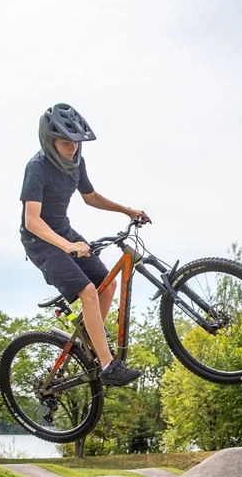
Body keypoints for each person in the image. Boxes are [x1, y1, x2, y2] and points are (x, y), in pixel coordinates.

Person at [20, 103, 149, 387]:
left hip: (66, 233)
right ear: (49, 141)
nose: (73, 149)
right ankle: (107, 365)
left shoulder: (76, 163)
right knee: (88, 292)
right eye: (66, 143)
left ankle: (91, 339)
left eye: (76, 143)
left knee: (108, 284)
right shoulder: (37, 168)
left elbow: (90, 197)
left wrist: (128, 210)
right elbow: (32, 221)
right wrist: (66, 245)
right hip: (40, 242)